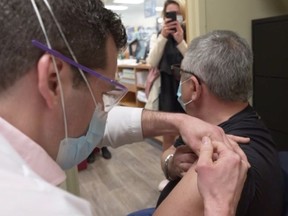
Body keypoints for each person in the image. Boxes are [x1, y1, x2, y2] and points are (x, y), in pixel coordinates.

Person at [0, 1, 249, 215]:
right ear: (53, 80)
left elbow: (106, 125)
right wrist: (219, 205)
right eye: (102, 94)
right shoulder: (38, 206)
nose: (102, 114)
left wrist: (179, 121)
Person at [156, 30, 284, 215]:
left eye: (180, 74)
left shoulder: (218, 164)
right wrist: (172, 163)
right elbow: (169, 153)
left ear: (193, 87)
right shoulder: (218, 123)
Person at [146, 0, 188, 151]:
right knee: (168, 135)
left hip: (185, 87)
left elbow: (194, 61)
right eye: (170, 14)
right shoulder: (158, 37)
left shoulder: (187, 32)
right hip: (167, 89)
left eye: (176, 13)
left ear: (181, 15)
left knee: (187, 133)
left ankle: (185, 170)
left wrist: (180, 41)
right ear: (164, 17)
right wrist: (163, 37)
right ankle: (169, 169)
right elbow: (151, 62)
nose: (173, 17)